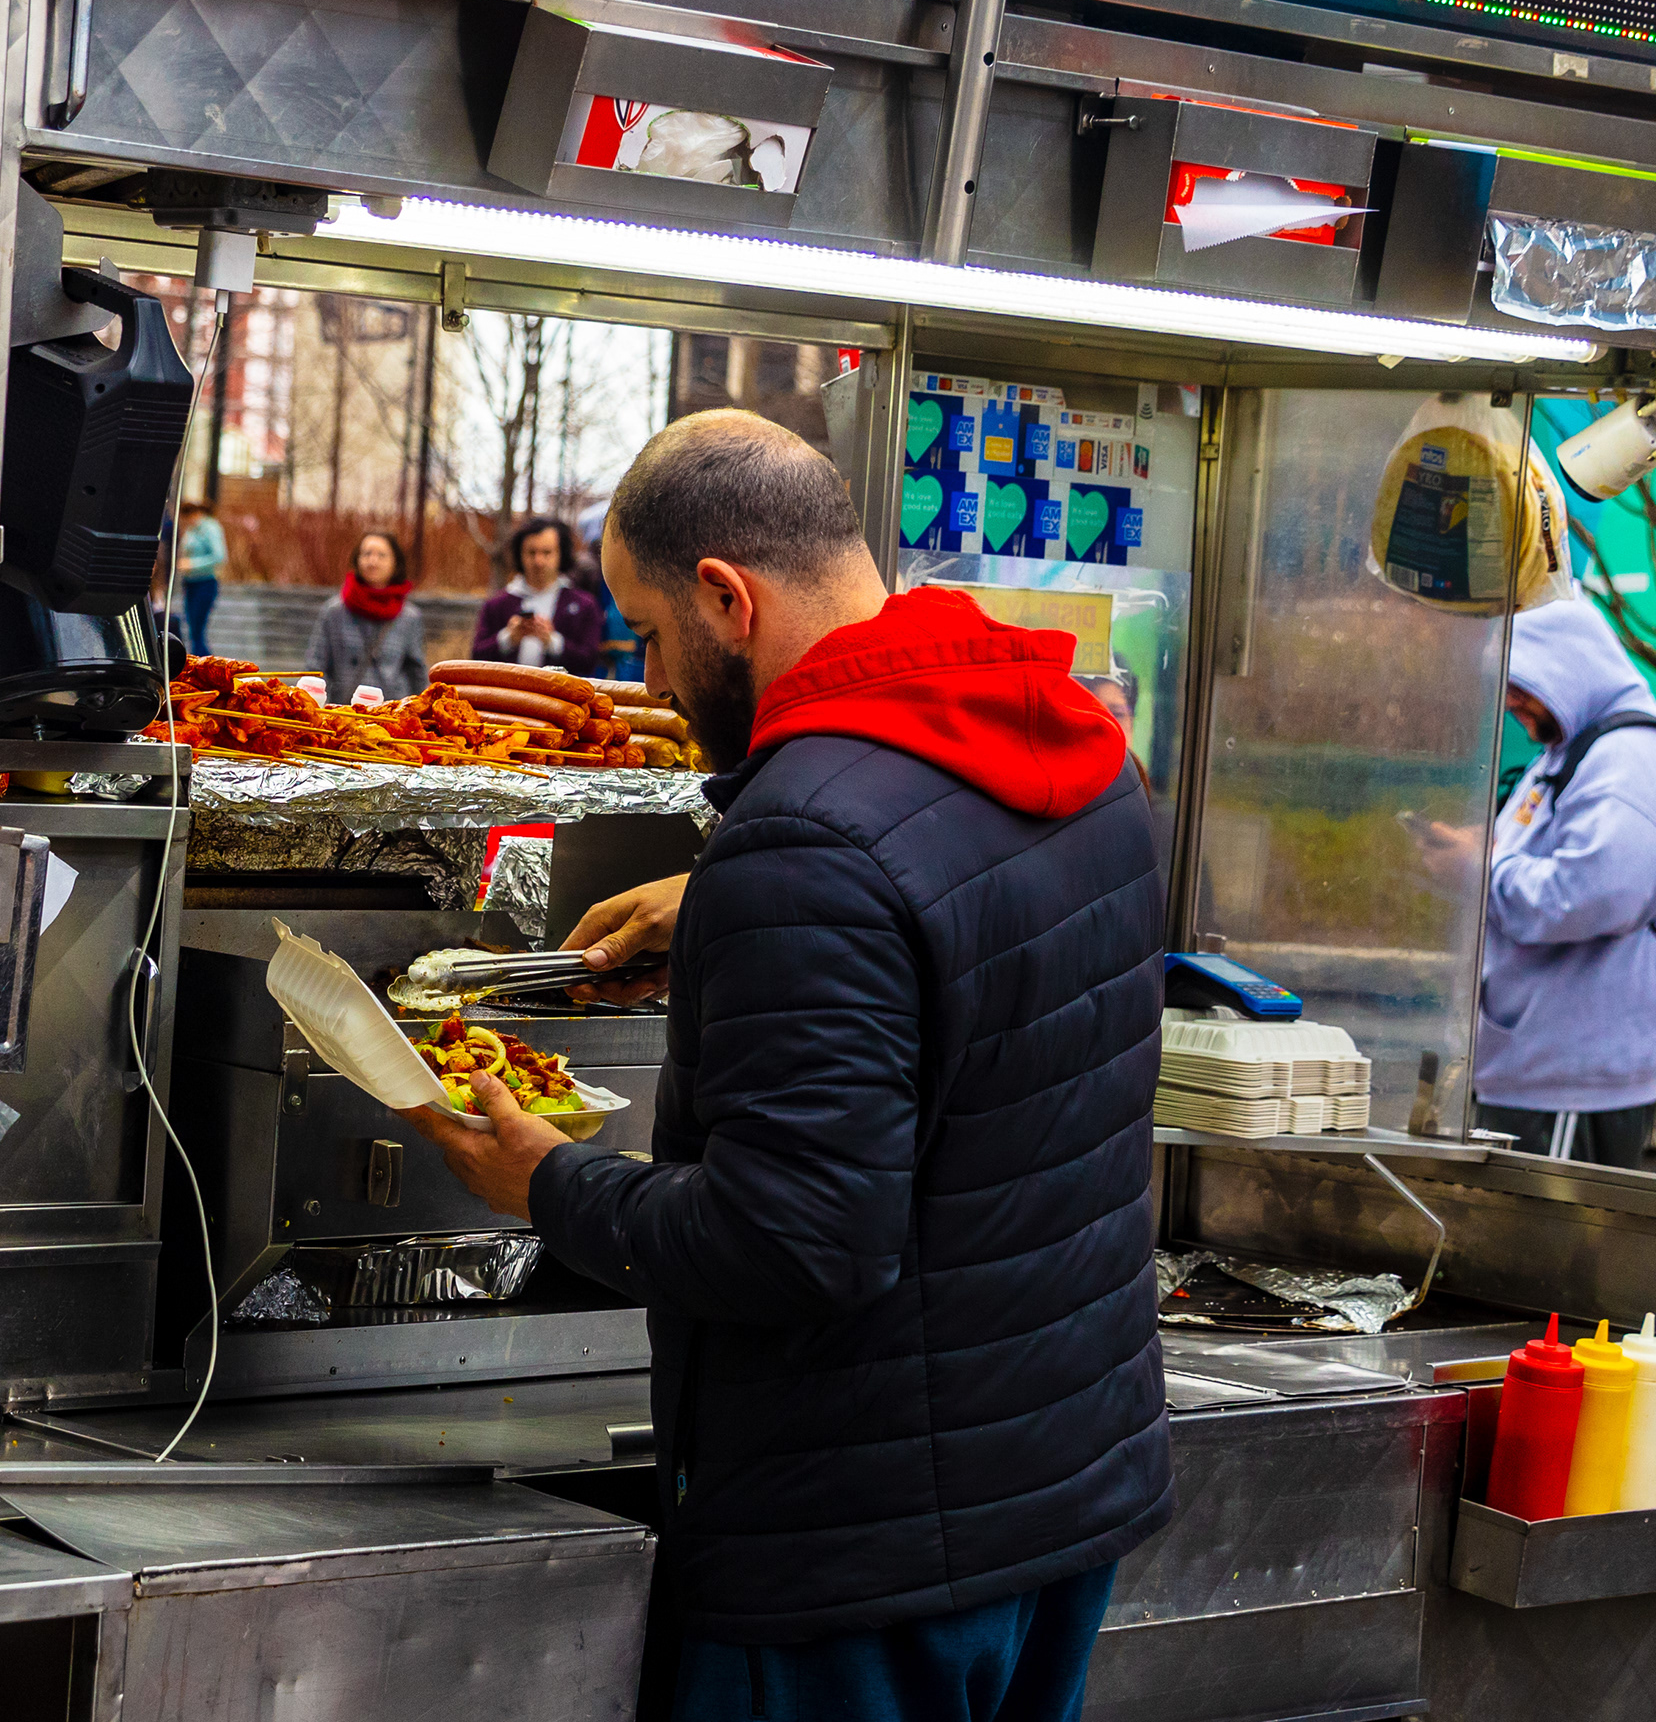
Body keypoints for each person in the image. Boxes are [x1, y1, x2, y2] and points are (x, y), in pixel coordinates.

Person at [411, 411, 1171, 1721]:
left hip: (855, 1560)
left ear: (727, 596)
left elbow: (796, 1242)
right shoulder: (1074, 745)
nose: (651, 678)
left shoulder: (804, 841)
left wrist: (547, 1182)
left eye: (650, 634)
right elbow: (961, 941)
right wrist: (722, 907)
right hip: (1058, 1499)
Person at [1429, 596, 1656, 1169]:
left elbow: (1593, 895)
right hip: (1543, 1066)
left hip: (1572, 1078)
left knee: (1548, 1229)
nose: (1510, 701)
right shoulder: (1577, 750)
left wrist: (1478, 869)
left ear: (1566, 666)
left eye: (1521, 683)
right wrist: (1484, 851)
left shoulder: (1628, 762)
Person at [473, 515, 608, 677]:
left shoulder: (585, 605)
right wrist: (508, 638)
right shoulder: (496, 604)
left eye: (547, 552)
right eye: (531, 552)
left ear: (561, 554)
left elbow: (590, 661)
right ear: (520, 554)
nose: (539, 561)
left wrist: (552, 641)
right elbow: (476, 657)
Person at [306, 529, 427, 706]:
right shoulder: (334, 611)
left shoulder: (409, 617)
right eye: (367, 554)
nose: (373, 561)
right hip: (343, 712)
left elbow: (417, 672)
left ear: (395, 563)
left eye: (382, 555)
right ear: (357, 559)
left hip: (391, 715)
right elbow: (316, 667)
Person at [175, 498, 224, 654]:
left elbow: (219, 556)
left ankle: (204, 663)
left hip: (205, 582)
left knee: (198, 630)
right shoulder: (192, 530)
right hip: (190, 583)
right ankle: (200, 661)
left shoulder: (210, 528)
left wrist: (192, 564)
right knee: (193, 629)